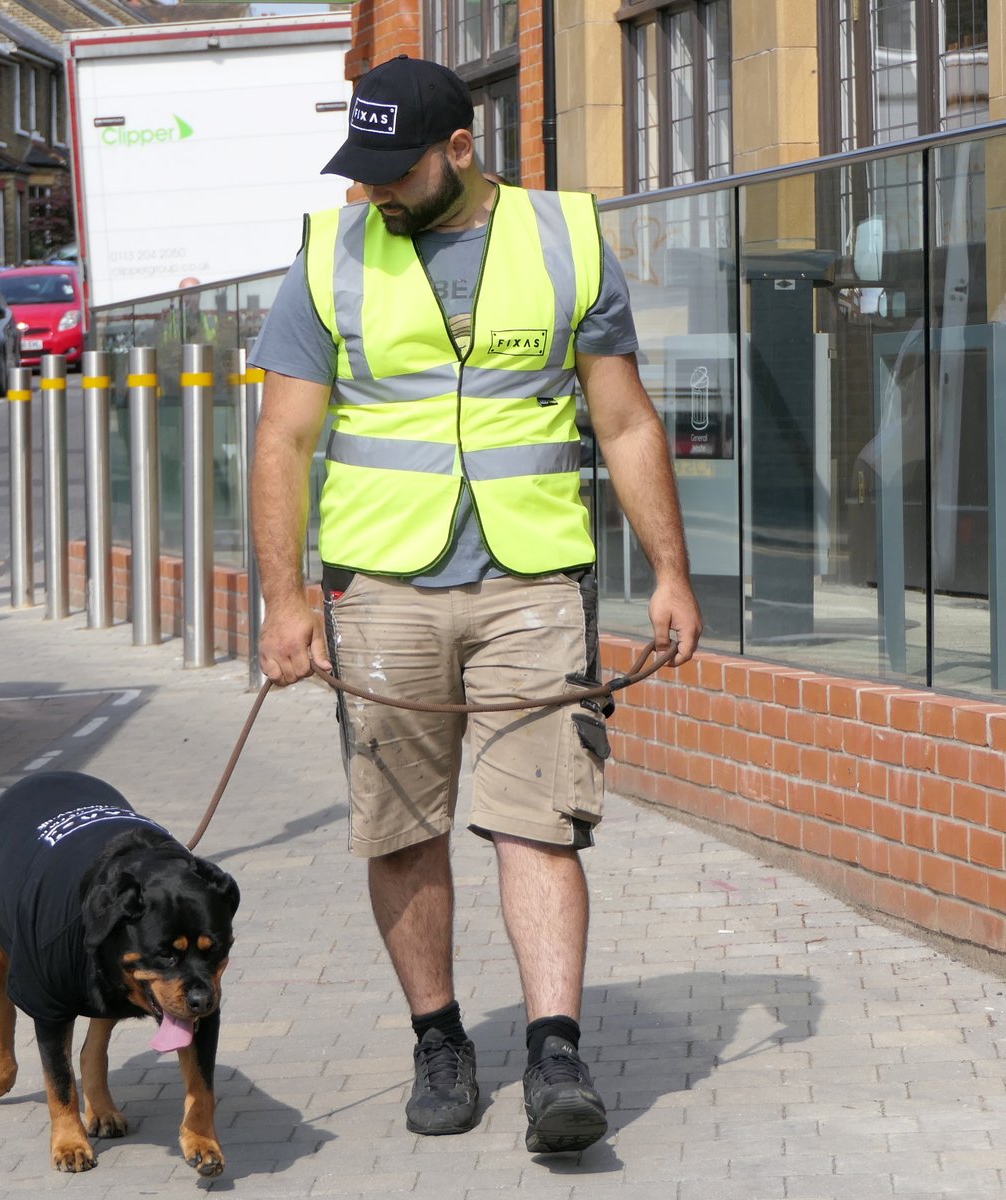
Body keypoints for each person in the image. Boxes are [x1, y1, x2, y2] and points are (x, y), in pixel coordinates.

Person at [250, 56, 701, 1154]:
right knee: (401, 828)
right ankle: (438, 1040)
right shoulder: (331, 252)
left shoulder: (567, 241)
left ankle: (556, 1052)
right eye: (359, 173)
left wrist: (671, 572)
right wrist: (283, 601)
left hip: (533, 577)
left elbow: (627, 421)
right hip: (382, 586)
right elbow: (285, 436)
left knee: (540, 818)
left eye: (392, 172)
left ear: (461, 149)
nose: (374, 194)